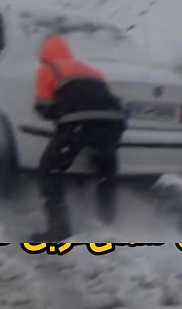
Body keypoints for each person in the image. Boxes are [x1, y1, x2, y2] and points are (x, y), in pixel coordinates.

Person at [30, 34, 127, 242]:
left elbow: (43, 107)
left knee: (49, 170)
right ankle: (108, 226)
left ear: (45, 55)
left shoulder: (48, 69)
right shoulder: (91, 69)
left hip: (78, 122)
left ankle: (59, 229)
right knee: (106, 173)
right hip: (113, 123)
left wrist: (58, 113)